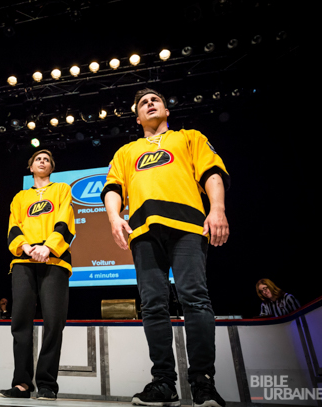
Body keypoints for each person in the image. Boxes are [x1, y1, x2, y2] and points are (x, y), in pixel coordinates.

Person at [101, 88, 230, 407]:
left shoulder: (189, 138)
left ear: (166, 110)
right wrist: (114, 218)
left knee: (195, 298)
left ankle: (203, 383)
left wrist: (217, 208)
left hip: (188, 227)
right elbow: (113, 187)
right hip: (144, 232)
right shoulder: (126, 151)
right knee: (153, 305)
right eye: (143, 103)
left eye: (155, 100)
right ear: (137, 118)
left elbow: (212, 173)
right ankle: (163, 383)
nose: (149, 103)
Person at [0, 149, 75, 401]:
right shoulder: (20, 197)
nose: (42, 161)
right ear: (30, 167)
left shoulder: (62, 189)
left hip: (54, 259)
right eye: (38, 159)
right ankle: (21, 383)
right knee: (20, 322)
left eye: (47, 160)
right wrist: (25, 246)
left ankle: (47, 384)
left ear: (51, 167)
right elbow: (13, 225)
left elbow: (65, 219)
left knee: (54, 322)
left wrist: (48, 247)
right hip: (24, 260)